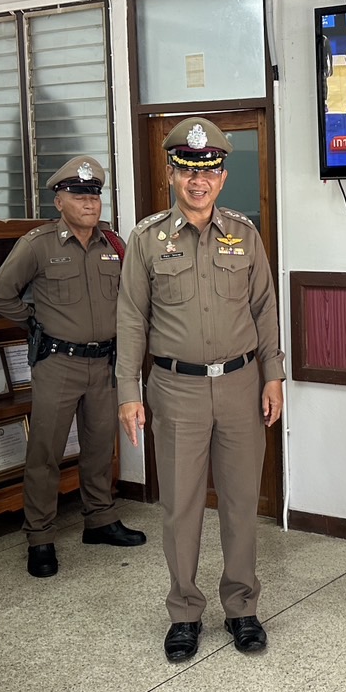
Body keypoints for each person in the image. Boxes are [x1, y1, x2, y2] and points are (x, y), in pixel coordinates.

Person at [117, 118, 286, 663]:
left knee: (240, 504)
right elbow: (131, 319)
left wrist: (274, 374)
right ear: (172, 174)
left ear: (222, 177)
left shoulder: (245, 233)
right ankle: (185, 613)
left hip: (240, 385)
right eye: (189, 171)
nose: (199, 181)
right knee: (181, 507)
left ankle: (241, 607)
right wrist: (128, 390)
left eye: (209, 172)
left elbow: (264, 309)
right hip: (175, 389)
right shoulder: (147, 239)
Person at [0, 155, 147, 578]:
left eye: (94, 194)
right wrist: (36, 322)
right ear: (59, 201)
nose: (89, 202)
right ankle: (40, 537)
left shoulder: (113, 245)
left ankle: (100, 519)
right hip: (58, 362)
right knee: (46, 452)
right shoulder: (39, 244)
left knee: (100, 447)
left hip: (105, 363)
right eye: (78, 195)